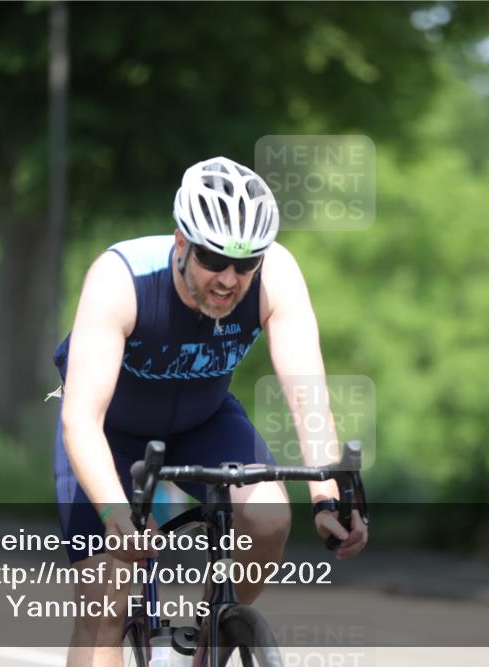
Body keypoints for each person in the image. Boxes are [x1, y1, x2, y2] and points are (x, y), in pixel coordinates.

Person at [53, 156, 367, 666]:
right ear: (181, 242)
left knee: (267, 516)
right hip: (110, 435)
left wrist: (329, 499)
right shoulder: (121, 280)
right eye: (213, 259)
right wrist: (115, 513)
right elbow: (81, 420)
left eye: (246, 264)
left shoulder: (278, 275)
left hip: (204, 419)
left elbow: (308, 394)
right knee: (107, 603)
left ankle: (207, 646)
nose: (229, 278)